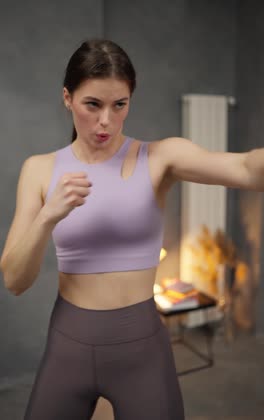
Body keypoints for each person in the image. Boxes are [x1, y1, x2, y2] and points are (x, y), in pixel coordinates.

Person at [0, 38, 263, 420]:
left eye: (119, 105)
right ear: (67, 98)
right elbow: (14, 280)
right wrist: (47, 217)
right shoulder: (39, 170)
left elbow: (243, 168)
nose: (106, 120)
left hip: (141, 350)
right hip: (67, 345)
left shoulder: (159, 157)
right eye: (93, 104)